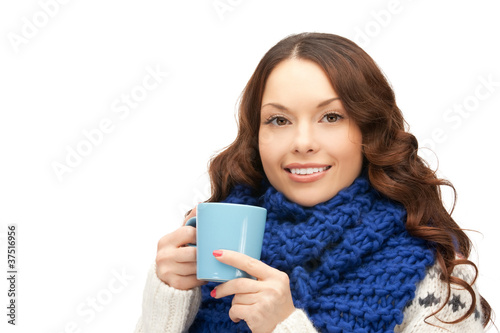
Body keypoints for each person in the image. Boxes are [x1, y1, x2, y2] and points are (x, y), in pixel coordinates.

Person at [134, 32, 493, 332]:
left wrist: (284, 325)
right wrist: (166, 299)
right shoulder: (219, 244)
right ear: (255, 134)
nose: (302, 142)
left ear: (369, 130)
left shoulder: (438, 276)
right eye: (278, 120)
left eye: (331, 117)